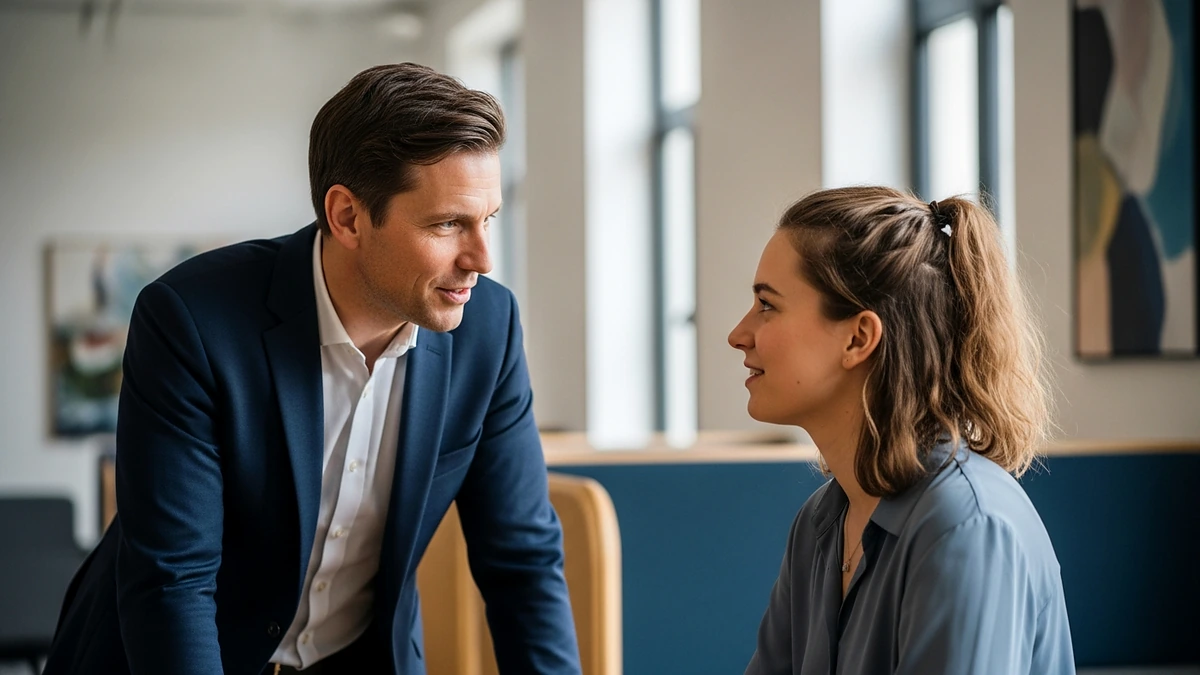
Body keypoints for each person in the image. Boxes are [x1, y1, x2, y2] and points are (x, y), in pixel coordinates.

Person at [44, 63, 581, 675]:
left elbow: (523, 561)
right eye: (447, 223)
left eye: (488, 219)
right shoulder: (192, 320)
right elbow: (173, 581)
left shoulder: (490, 328)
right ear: (348, 216)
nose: (482, 259)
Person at [730, 187, 1074, 674]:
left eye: (767, 305)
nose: (738, 334)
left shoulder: (966, 528)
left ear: (858, 338)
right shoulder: (822, 522)